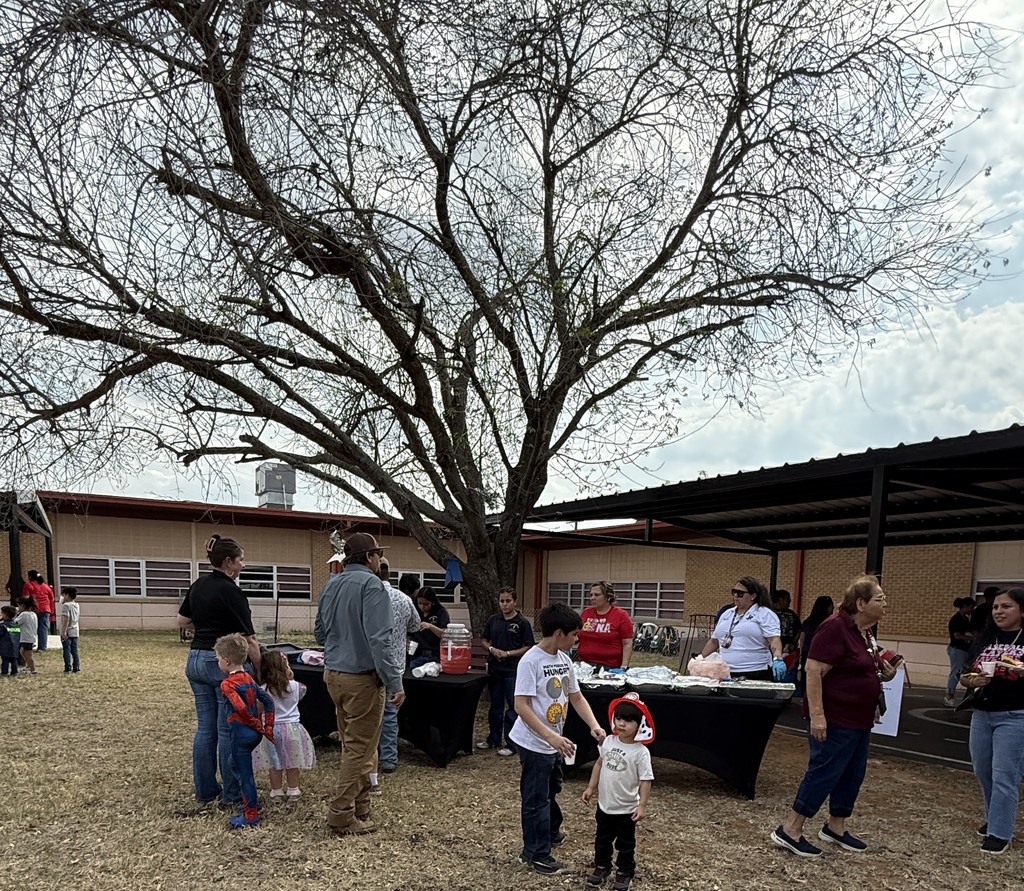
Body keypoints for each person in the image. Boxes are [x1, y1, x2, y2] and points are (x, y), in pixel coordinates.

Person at [771, 575, 898, 857]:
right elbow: (814, 670)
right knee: (824, 772)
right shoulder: (835, 627)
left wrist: (883, 671)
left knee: (852, 774)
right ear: (861, 603)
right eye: (880, 598)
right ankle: (790, 828)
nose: (885, 602)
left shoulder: (863, 631)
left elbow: (858, 665)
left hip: (860, 719)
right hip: (836, 718)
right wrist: (818, 716)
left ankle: (836, 826)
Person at [314, 531, 405, 836]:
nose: (380, 559)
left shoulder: (331, 584)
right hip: (362, 679)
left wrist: (335, 653)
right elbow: (380, 641)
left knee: (357, 746)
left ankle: (361, 806)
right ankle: (340, 814)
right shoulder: (372, 585)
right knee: (360, 748)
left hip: (335, 676)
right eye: (378, 554)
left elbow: (320, 631)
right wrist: (395, 682)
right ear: (369, 558)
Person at [509, 602, 607, 876]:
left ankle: (550, 831)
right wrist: (551, 737)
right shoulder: (531, 661)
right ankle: (535, 853)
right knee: (536, 797)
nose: (577, 640)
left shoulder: (563, 660)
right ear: (559, 633)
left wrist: (594, 726)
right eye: (574, 634)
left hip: (554, 743)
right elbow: (521, 706)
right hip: (535, 742)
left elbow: (575, 696)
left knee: (552, 789)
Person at [177, 534, 262, 809]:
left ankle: (205, 790)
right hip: (222, 664)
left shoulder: (198, 584)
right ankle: (233, 794)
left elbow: (181, 620)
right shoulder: (232, 592)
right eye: (240, 561)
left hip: (196, 660)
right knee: (229, 730)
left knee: (205, 728)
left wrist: (202, 626)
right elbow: (249, 640)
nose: (242, 566)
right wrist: (259, 669)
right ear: (228, 562)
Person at [958, 586, 1024, 854]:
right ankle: (995, 815)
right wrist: (976, 679)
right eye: (996, 607)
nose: (999, 611)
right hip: (982, 713)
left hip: (1015, 716)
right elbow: (964, 676)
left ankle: (1000, 832)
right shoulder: (985, 638)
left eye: (1006, 606)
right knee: (982, 770)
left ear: (1022, 610)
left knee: (1004, 775)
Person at [581, 694, 655, 891]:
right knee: (602, 839)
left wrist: (642, 806)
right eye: (618, 718)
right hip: (605, 805)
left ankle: (624, 872)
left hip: (626, 809)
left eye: (628, 720)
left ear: (640, 724)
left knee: (625, 844)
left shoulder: (641, 752)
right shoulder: (609, 742)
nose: (621, 724)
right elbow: (599, 764)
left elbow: (646, 780)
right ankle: (602, 867)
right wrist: (591, 787)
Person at [214, 633, 275, 829]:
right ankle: (250, 798)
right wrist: (267, 727)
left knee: (245, 771)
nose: (217, 662)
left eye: (218, 659)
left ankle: (251, 814)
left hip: (241, 733)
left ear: (226, 660)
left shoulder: (227, 684)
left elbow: (240, 708)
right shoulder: (248, 678)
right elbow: (268, 701)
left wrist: (257, 725)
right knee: (234, 764)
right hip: (253, 733)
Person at [477, 587, 535, 756]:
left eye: (508, 601)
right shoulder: (493, 620)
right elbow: (484, 639)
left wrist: (508, 653)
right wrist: (492, 649)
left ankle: (512, 743)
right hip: (495, 668)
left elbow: (529, 646)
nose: (504, 604)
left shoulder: (522, 623)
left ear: (515, 602)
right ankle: (493, 739)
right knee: (495, 706)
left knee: (513, 707)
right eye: (501, 601)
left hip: (513, 670)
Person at [252, 650, 316, 799]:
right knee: (292, 762)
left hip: (271, 729)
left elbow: (259, 710)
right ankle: (294, 790)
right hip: (293, 729)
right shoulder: (296, 686)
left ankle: (277, 791)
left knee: (275, 763)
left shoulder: (262, 690)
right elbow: (301, 694)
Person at [377, 559, 420, 776]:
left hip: (370, 665)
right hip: (396, 665)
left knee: (369, 714)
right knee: (390, 714)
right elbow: (415, 624)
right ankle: (388, 759)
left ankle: (370, 756)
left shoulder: (368, 597)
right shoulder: (403, 599)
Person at [701, 577, 786, 681]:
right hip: (725, 672)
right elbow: (714, 641)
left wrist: (777, 658)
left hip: (755, 672)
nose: (736, 596)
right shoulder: (727, 614)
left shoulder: (764, 614)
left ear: (753, 596)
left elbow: (773, 639)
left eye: (740, 593)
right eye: (734, 592)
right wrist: (700, 659)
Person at [578, 581, 634, 669]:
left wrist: (624, 666)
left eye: (597, 595)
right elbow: (575, 636)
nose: (592, 598)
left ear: (607, 597)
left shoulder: (621, 615)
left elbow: (627, 644)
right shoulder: (586, 613)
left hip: (610, 667)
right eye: (591, 595)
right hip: (585, 665)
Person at [797, 596, 835, 691]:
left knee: (807, 678)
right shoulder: (830, 623)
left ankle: (805, 698)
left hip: (807, 653)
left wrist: (801, 654)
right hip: (823, 654)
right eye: (831, 606)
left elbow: (802, 638)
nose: (833, 609)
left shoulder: (808, 621)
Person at [409, 586, 450, 668]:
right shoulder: (416, 612)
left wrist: (431, 626)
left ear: (433, 602)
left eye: (426, 604)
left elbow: (445, 635)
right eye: (420, 603)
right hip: (417, 655)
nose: (422, 607)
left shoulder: (441, 612)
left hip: (435, 656)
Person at [944, 597, 974, 707]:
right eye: (971, 607)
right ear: (965, 607)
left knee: (961, 671)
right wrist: (971, 638)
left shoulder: (965, 619)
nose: (972, 610)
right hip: (957, 649)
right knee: (956, 672)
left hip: (964, 649)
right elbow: (957, 636)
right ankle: (949, 695)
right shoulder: (956, 619)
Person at [26, 571, 54, 652]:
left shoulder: (28, 585)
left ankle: (30, 644)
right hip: (45, 609)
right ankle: (42, 647)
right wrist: (52, 610)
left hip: (34, 609)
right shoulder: (46, 586)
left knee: (30, 627)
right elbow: (51, 599)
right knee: (43, 628)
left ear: (30, 577)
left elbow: (26, 598)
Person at [14, 595, 38, 675]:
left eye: (19, 606)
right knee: (22, 651)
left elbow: (15, 623)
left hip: (26, 638)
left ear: (23, 606)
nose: (18, 608)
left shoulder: (24, 614)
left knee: (28, 655)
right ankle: (28, 666)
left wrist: (16, 613)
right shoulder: (33, 614)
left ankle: (32, 669)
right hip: (31, 637)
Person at [59, 586, 81, 673]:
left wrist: (64, 631)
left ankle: (67, 666)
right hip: (75, 630)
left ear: (67, 595)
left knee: (66, 650)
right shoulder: (76, 605)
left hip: (68, 631)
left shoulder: (66, 606)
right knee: (74, 650)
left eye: (63, 595)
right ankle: (76, 667)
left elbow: (66, 618)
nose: (62, 597)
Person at [0, 605, 20, 676]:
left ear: (5, 614)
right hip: (15, 647)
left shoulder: (3, 626)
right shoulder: (16, 625)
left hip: (5, 648)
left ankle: (4, 672)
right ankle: (14, 672)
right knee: (14, 661)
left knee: (5, 661)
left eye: (1, 613)